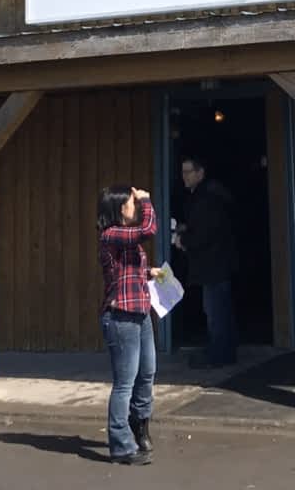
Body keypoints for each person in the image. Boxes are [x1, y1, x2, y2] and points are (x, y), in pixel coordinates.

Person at [98, 185, 161, 464]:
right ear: (119, 208)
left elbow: (126, 272)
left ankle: (139, 423)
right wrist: (147, 201)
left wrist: (149, 272)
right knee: (125, 382)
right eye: (132, 203)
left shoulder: (125, 237)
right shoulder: (111, 234)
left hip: (140, 312)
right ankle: (121, 444)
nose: (136, 206)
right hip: (121, 315)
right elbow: (148, 230)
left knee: (147, 372)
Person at [173, 156, 238, 368]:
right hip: (218, 263)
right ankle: (225, 352)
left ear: (200, 173)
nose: (184, 176)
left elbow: (205, 233)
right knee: (220, 309)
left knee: (215, 311)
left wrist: (184, 240)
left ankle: (220, 355)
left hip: (212, 264)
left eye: (188, 172)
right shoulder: (209, 196)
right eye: (182, 172)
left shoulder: (206, 199)